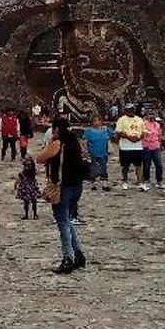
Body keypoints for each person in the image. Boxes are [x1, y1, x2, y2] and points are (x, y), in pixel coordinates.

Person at [35, 118, 87, 274]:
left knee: (62, 223)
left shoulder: (58, 144)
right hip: (76, 186)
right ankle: (78, 254)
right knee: (67, 220)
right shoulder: (75, 142)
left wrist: (51, 142)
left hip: (62, 187)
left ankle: (68, 258)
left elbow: (40, 158)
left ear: (57, 129)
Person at [114, 103, 147, 191]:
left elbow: (144, 131)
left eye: (132, 109)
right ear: (125, 110)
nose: (131, 111)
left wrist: (138, 138)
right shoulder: (121, 120)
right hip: (125, 146)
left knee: (139, 165)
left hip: (137, 146)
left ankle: (140, 182)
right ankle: (125, 181)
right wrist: (129, 137)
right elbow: (118, 132)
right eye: (129, 109)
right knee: (125, 166)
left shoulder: (139, 119)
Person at [82, 113, 112, 191]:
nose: (97, 122)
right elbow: (85, 142)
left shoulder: (106, 130)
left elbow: (114, 135)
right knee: (92, 168)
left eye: (99, 120)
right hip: (92, 152)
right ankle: (93, 184)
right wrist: (86, 151)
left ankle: (104, 184)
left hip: (103, 152)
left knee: (104, 168)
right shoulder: (88, 131)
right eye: (95, 121)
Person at [141, 115, 165, 189]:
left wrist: (160, 144)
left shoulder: (157, 125)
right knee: (147, 164)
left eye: (153, 115)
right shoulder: (144, 124)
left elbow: (159, 135)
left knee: (159, 164)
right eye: (150, 115)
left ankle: (159, 180)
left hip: (156, 146)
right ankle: (146, 180)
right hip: (146, 146)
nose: (151, 117)